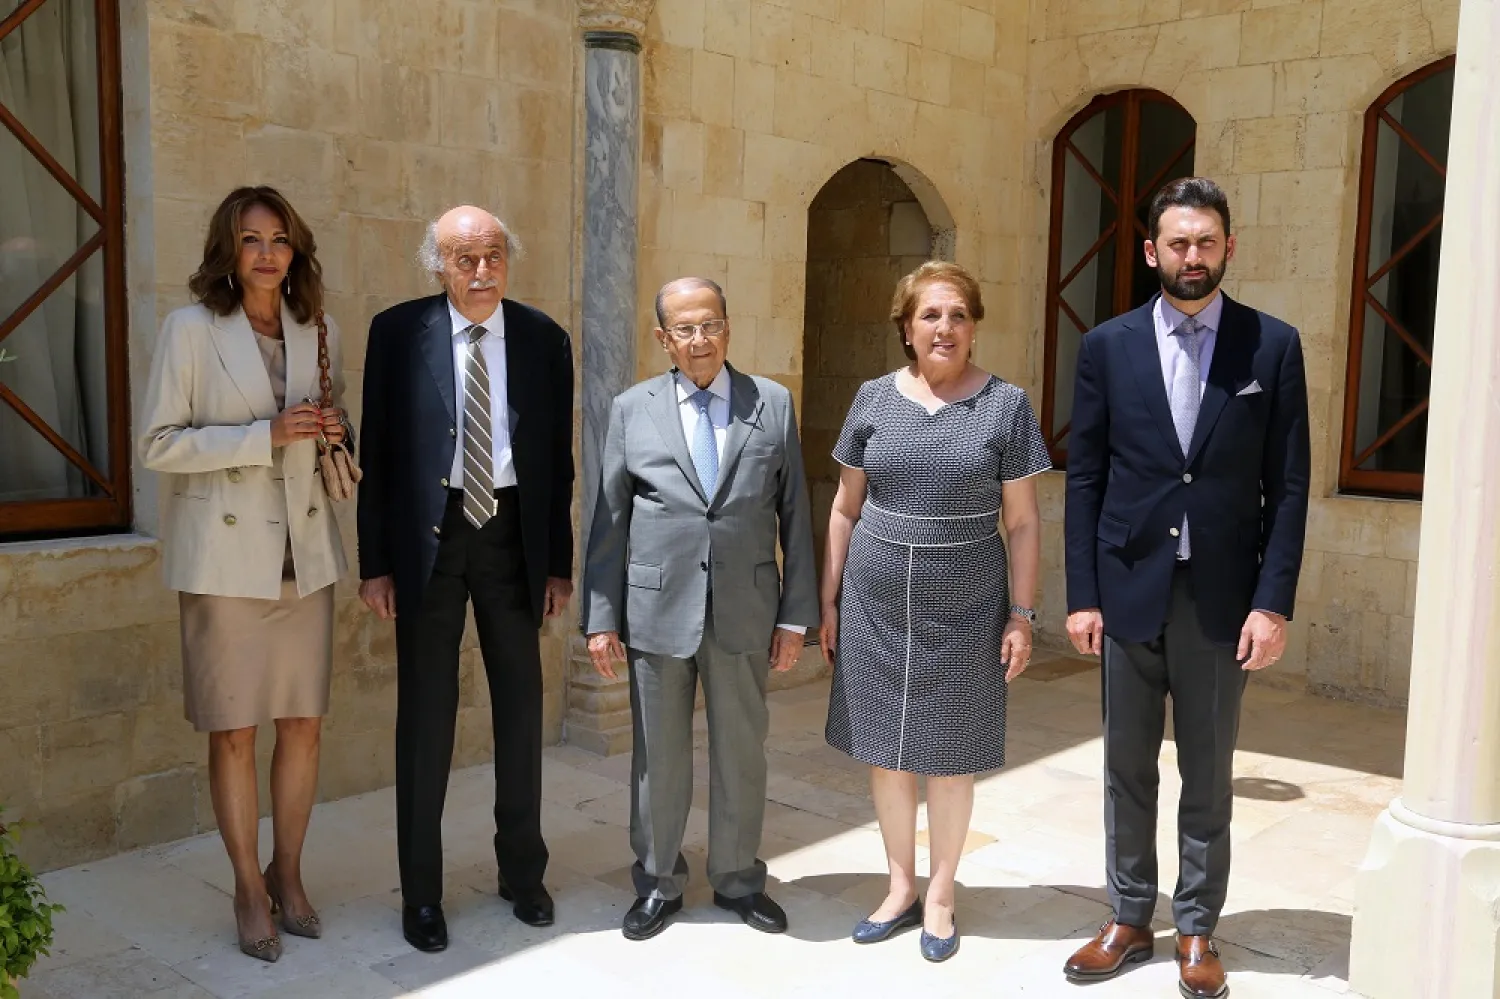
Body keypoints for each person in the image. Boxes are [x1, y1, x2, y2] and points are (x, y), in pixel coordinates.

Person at [1061, 177, 1310, 999]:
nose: (1192, 256)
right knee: (1126, 765)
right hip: (1129, 589)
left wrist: (1272, 602)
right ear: (1150, 251)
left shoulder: (1271, 347)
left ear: (1228, 248)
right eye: (1177, 243)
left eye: (1206, 242)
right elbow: (1087, 477)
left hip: (1222, 597)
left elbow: (1292, 484)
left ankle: (1197, 925)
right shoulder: (1105, 346)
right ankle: (1130, 914)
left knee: (1207, 768)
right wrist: (1083, 593)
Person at [139, 186, 350, 963]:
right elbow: (157, 444)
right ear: (228, 249)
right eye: (252, 238)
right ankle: (246, 886)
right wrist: (259, 435)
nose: (268, 253)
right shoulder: (191, 330)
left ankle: (287, 870)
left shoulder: (315, 327)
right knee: (233, 730)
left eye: (280, 239)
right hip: (227, 564)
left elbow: (334, 420)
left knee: (304, 723)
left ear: (296, 250)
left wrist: (333, 426)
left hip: (306, 554)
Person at [356, 206, 575, 953]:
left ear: (507, 259)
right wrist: (376, 563)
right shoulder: (396, 333)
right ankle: (422, 893)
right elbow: (378, 457)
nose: (480, 272)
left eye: (492, 256)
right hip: (430, 539)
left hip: (512, 534)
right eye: (463, 259)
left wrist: (557, 562)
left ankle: (523, 871)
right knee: (425, 716)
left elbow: (558, 459)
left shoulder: (545, 339)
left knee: (521, 704)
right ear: (437, 267)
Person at [819, 261, 1050, 963]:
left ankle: (942, 891)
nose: (944, 327)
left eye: (957, 315)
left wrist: (1022, 614)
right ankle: (898, 885)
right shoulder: (871, 399)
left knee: (950, 757)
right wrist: (827, 600)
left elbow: (1024, 522)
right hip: (873, 601)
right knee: (887, 754)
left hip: (969, 604)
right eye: (930, 315)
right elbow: (843, 505)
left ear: (973, 325)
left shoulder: (1006, 405)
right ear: (907, 328)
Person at [582, 277, 819, 941]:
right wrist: (602, 617)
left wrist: (795, 615)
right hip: (657, 607)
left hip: (746, 605)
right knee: (659, 754)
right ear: (663, 339)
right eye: (684, 329)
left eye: (709, 324)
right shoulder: (631, 409)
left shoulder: (771, 403)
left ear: (728, 326)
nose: (699, 339)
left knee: (742, 748)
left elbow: (796, 510)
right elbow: (609, 520)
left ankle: (740, 878)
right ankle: (658, 881)